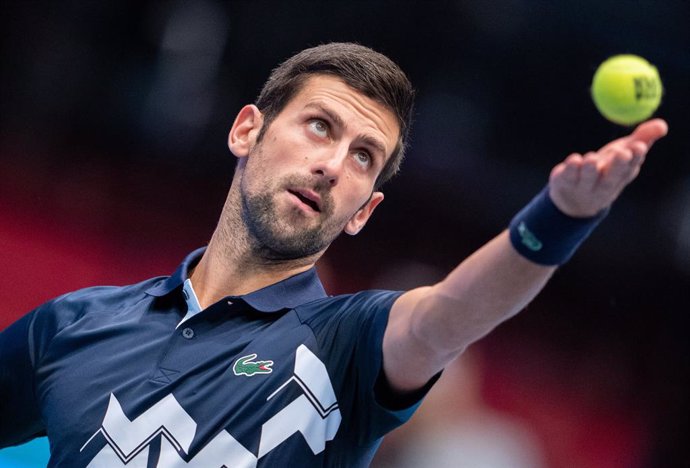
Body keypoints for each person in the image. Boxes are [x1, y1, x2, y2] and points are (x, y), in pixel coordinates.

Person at [0, 42, 668, 467]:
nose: (331, 165)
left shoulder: (346, 347)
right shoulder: (72, 326)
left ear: (364, 212)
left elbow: (454, 312)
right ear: (246, 131)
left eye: (363, 157)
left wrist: (561, 218)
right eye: (320, 126)